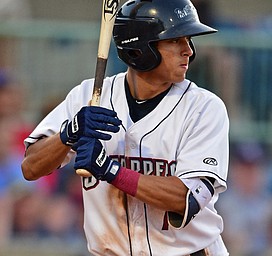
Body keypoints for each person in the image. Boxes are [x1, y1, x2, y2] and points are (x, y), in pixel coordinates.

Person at [21, 0, 230, 255]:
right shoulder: (89, 95)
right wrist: (67, 134)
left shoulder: (203, 108)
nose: (189, 50)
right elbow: (31, 167)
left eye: (188, 40)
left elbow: (187, 199)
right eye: (175, 40)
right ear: (140, 49)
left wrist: (112, 171)